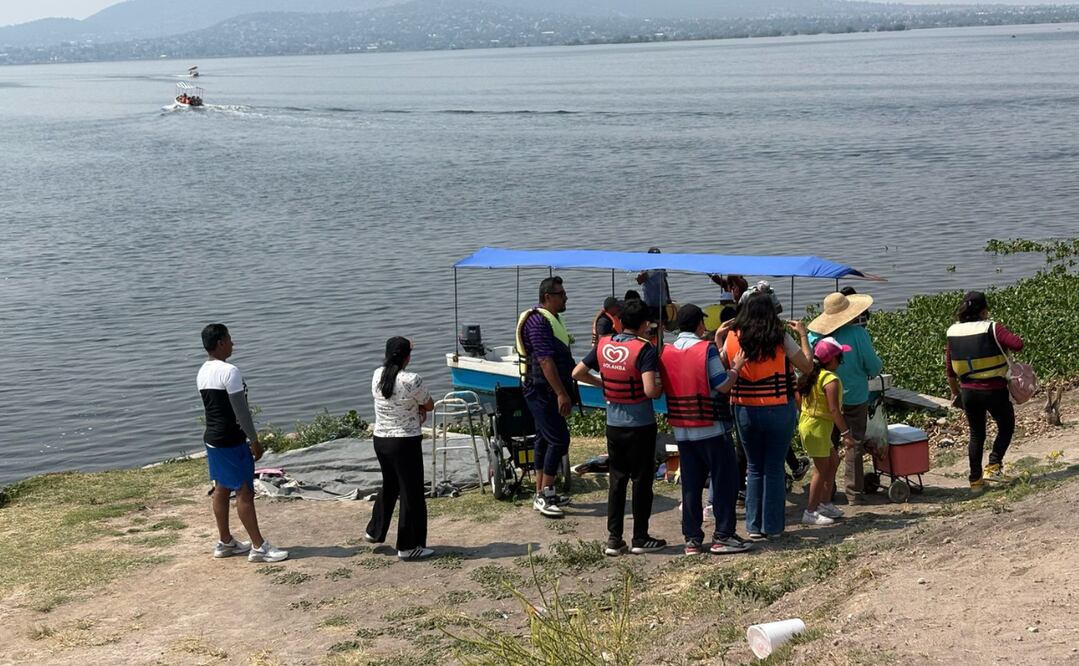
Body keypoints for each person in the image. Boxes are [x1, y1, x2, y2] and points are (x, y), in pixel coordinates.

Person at [573, 299, 667, 556]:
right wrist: (661, 387)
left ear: (621, 321)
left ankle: (614, 539)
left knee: (617, 480)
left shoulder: (604, 343)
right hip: (640, 425)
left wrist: (602, 384)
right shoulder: (645, 349)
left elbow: (577, 372)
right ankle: (640, 537)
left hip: (613, 424)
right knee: (641, 481)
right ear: (645, 324)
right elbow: (650, 390)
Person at [662, 304, 752, 555]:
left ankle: (692, 539)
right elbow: (722, 385)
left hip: (682, 429)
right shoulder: (706, 349)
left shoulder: (666, 351)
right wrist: (736, 366)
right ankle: (723, 535)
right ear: (700, 325)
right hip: (711, 427)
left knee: (690, 485)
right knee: (724, 482)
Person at [724, 293, 813, 539]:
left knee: (754, 468)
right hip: (777, 408)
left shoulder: (732, 337)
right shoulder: (779, 337)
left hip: (744, 408)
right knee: (773, 467)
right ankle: (772, 527)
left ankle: (753, 527)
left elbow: (723, 367)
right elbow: (807, 366)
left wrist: (720, 337)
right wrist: (804, 336)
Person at [197, 324, 288, 563]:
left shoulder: (203, 371)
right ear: (220, 343)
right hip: (231, 441)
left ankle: (225, 541)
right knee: (245, 492)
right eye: (229, 339)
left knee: (221, 487)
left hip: (213, 440)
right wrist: (255, 441)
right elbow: (242, 412)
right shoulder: (230, 371)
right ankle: (259, 547)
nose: (233, 343)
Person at [808, 291, 884, 504]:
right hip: (854, 396)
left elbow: (805, 367)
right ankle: (853, 494)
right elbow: (874, 366)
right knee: (853, 442)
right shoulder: (858, 334)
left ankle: (827, 492)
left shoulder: (814, 336)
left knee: (827, 446)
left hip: (823, 398)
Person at [945, 291, 1024, 490]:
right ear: (983, 311)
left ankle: (975, 481)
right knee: (1006, 426)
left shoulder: (953, 331)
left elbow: (950, 370)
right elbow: (1018, 344)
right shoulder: (992, 327)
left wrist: (956, 394)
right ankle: (994, 467)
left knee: (976, 434)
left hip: (968, 392)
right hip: (994, 389)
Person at [365, 337, 435, 560]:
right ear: (407, 357)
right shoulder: (411, 379)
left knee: (391, 484)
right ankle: (408, 545)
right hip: (405, 441)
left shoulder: (378, 375)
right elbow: (430, 404)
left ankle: (375, 530)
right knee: (411, 492)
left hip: (381, 439)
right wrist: (419, 410)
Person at [516, 276, 576, 518]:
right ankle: (545, 494)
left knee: (543, 438)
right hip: (541, 390)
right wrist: (562, 393)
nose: (566, 297)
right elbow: (544, 360)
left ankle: (541, 490)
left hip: (549, 389)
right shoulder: (537, 322)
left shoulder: (554, 319)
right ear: (548, 297)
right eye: (561, 294)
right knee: (560, 439)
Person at [796, 337, 855, 525]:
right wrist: (846, 434)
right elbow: (834, 410)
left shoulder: (811, 373)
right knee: (821, 469)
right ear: (832, 360)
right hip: (817, 428)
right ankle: (810, 511)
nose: (841, 361)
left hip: (812, 425)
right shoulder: (830, 380)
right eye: (840, 357)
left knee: (833, 460)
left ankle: (824, 502)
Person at [636, 247, 672, 325]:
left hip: (662, 301)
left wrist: (668, 296)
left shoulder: (661, 267)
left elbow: (664, 281)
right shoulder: (646, 268)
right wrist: (644, 274)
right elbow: (639, 281)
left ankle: (660, 336)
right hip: (650, 303)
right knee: (652, 325)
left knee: (663, 323)